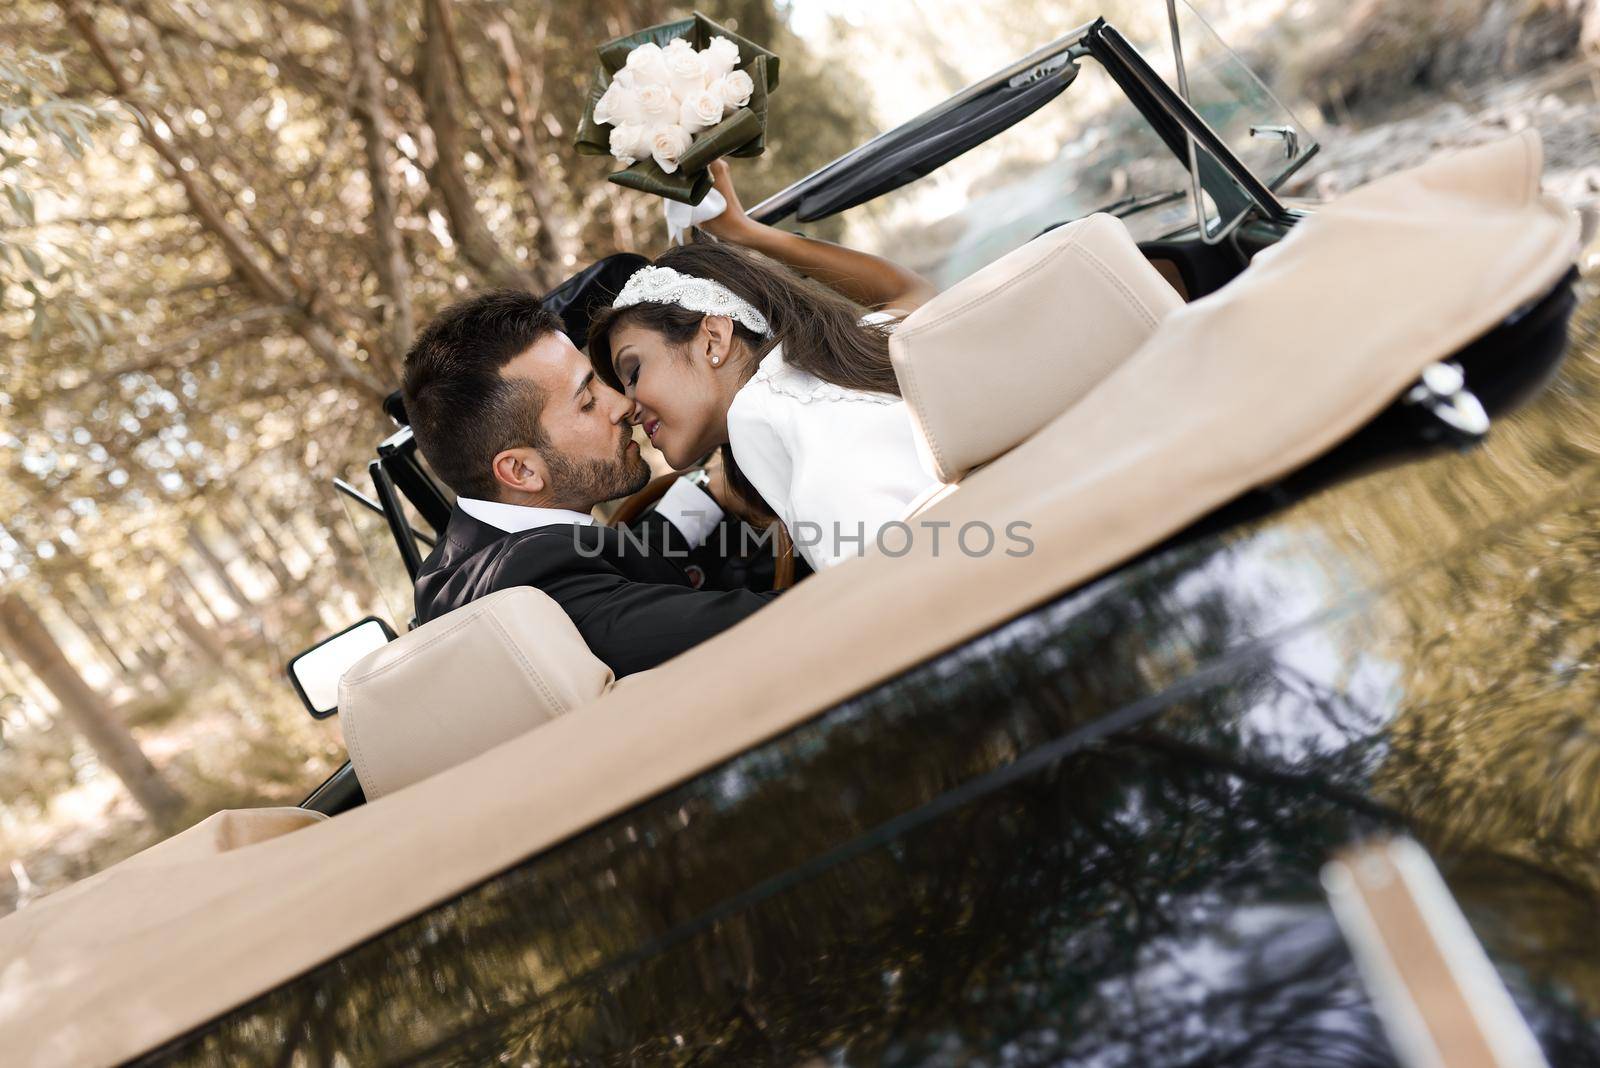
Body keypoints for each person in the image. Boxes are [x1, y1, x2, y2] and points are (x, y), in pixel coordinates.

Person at [401, 290, 777, 678]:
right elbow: (758, 627)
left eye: (600, 381)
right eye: (586, 402)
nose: (623, 405)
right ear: (521, 471)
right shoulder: (537, 593)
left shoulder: (449, 570)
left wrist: (709, 494)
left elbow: (615, 558)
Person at [587, 161, 941, 571]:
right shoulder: (851, 358)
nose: (629, 406)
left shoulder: (800, 447)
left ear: (714, 338)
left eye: (633, 372)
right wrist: (744, 232)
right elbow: (911, 292)